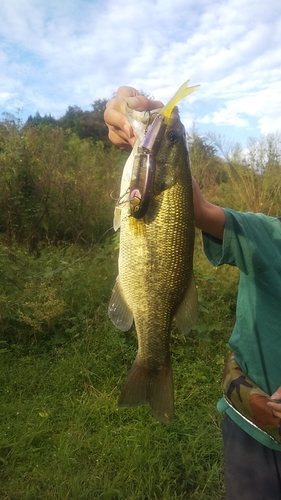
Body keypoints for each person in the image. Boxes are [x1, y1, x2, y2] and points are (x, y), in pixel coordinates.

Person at [104, 87, 281, 500]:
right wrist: (130, 114)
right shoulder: (269, 236)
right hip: (251, 433)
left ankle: (152, 365)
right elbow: (196, 209)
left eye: (172, 139)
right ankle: (152, 361)